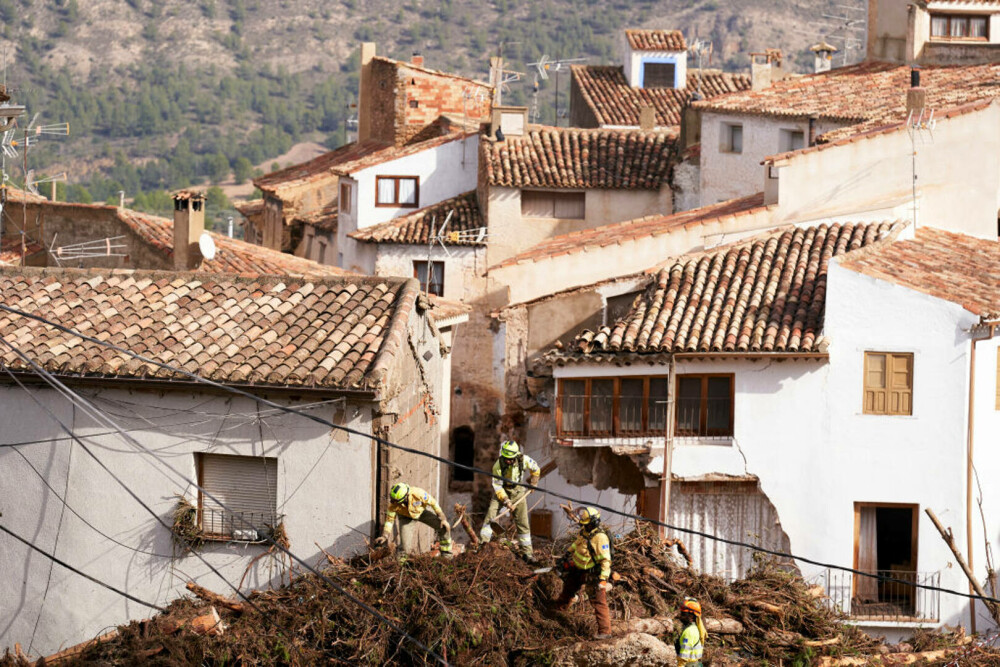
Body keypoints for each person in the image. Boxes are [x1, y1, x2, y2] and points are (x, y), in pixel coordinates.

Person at [553, 507, 613, 639]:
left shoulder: (600, 538)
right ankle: (556, 613)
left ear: (594, 522)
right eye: (584, 525)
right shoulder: (584, 531)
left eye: (588, 524)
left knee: (598, 601)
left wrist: (603, 579)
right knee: (568, 590)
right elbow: (577, 544)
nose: (586, 527)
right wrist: (568, 553)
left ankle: (605, 632)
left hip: (593, 573)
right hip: (578, 569)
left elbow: (605, 560)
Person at [478, 440, 541, 561]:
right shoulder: (498, 465)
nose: (508, 461)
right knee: (490, 517)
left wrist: (534, 482)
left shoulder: (524, 460)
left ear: (516, 456)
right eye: (506, 458)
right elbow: (497, 486)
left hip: (518, 492)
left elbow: (536, 468)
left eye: (510, 459)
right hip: (502, 491)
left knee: (523, 523)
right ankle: (482, 546)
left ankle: (527, 554)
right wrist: (506, 501)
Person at [375, 482, 452, 558]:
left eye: (396, 501)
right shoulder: (393, 505)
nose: (393, 502)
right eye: (393, 500)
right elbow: (389, 521)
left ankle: (447, 556)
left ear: (405, 497)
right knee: (405, 548)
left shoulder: (418, 493)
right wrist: (385, 535)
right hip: (406, 517)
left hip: (422, 512)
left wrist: (443, 518)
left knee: (444, 527)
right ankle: (400, 565)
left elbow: (433, 503)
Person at [676, 596, 707, 666]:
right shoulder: (693, 628)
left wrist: (680, 665)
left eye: (683, 614)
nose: (681, 616)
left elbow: (684, 655)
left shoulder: (689, 631)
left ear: (691, 616)